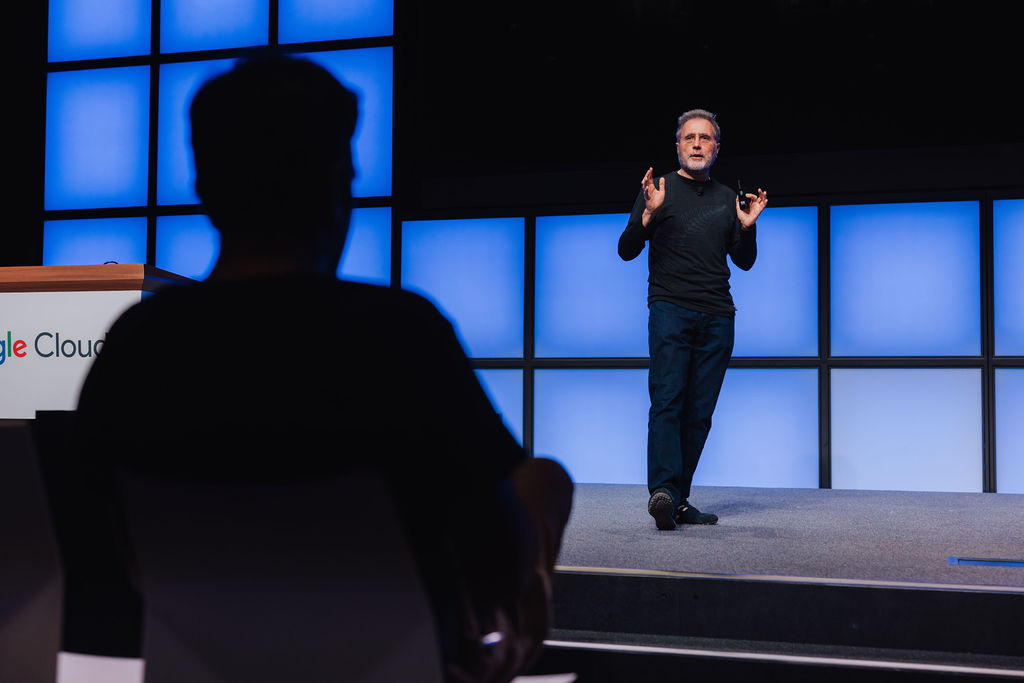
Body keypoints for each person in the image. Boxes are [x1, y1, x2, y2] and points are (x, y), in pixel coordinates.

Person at [75, 53, 572, 682]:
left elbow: (104, 551)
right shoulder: (401, 335)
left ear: (205, 188)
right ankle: (494, 652)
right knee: (544, 480)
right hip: (402, 668)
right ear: (337, 185)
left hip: (202, 666)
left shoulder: (135, 347)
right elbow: (497, 560)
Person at [618, 109, 767, 531]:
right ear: (678, 146)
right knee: (668, 401)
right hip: (670, 310)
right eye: (690, 137)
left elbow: (745, 262)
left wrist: (748, 227)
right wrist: (648, 216)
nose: (697, 144)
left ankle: (677, 499)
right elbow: (626, 249)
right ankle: (664, 491)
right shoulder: (659, 190)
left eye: (705, 138)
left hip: (718, 316)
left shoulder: (726, 197)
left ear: (716, 148)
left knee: (699, 413)